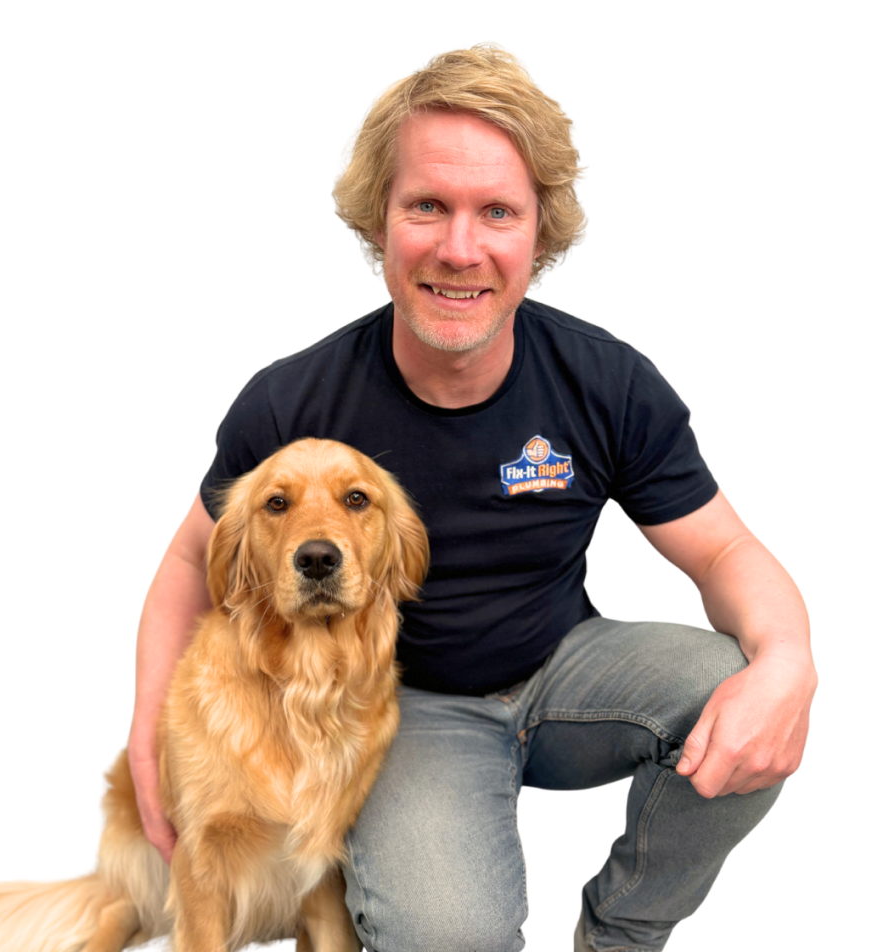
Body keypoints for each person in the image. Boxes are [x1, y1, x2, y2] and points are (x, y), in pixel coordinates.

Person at [129, 46, 816, 951]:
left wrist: (790, 660)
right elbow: (194, 557)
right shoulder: (293, 402)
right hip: (407, 709)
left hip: (564, 672)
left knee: (745, 687)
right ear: (380, 219)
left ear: (540, 230)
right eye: (427, 206)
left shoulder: (606, 381)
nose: (460, 249)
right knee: (452, 938)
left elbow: (724, 550)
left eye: (497, 211)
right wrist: (151, 739)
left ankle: (619, 937)